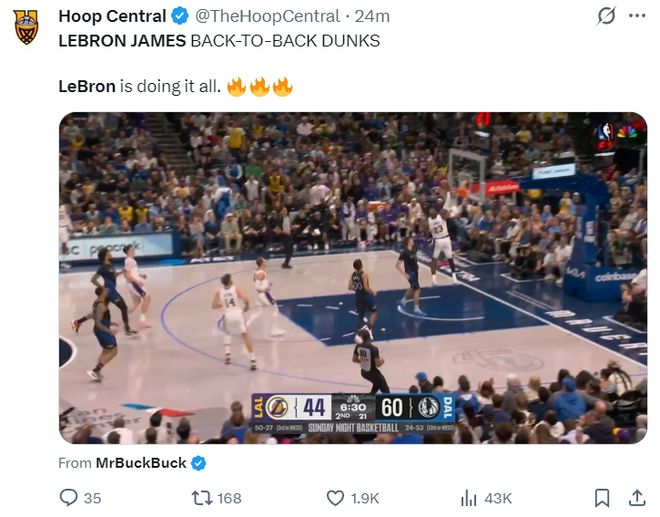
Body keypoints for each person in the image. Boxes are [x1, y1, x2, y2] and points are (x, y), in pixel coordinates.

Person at [71, 247, 138, 336]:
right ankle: (127, 329)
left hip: (109, 292)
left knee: (97, 312)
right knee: (124, 307)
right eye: (109, 253)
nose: (111, 254)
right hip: (110, 292)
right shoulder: (102, 268)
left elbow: (113, 275)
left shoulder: (110, 265)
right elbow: (93, 279)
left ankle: (77, 322)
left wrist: (120, 272)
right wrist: (102, 287)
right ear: (106, 256)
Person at [212, 273, 257, 371]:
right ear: (230, 281)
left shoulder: (219, 292)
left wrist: (223, 303)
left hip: (228, 316)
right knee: (245, 335)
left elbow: (214, 306)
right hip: (238, 314)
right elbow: (246, 299)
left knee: (227, 333)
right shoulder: (236, 289)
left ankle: (227, 354)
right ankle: (253, 359)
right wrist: (247, 307)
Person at [85, 287, 120, 382]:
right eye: (105, 290)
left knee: (106, 351)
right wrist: (109, 331)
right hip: (103, 331)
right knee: (114, 351)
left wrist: (110, 323)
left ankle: (96, 371)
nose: (107, 291)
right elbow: (98, 322)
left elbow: (98, 317)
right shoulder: (101, 305)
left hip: (101, 330)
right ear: (102, 293)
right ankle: (95, 371)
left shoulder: (97, 302)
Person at [428, 192, 458, 285]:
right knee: (450, 259)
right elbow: (446, 205)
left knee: (434, 259)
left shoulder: (430, 220)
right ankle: (454, 278)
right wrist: (448, 194)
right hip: (445, 239)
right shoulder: (440, 216)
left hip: (438, 241)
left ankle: (434, 279)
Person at [251, 257, 284, 336]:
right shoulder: (261, 273)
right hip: (264, 294)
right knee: (275, 309)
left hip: (261, 295)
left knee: (259, 312)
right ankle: (274, 330)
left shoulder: (256, 272)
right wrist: (266, 288)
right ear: (262, 263)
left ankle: (246, 325)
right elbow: (257, 287)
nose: (265, 261)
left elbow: (260, 283)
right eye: (264, 261)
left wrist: (268, 285)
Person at [352, 327, 389, 394]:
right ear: (369, 337)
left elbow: (354, 359)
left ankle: (370, 396)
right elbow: (378, 364)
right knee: (385, 389)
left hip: (364, 372)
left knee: (377, 384)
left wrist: (364, 361)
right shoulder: (373, 349)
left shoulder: (358, 346)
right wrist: (382, 360)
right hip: (373, 372)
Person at [123, 245, 151, 327]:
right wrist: (138, 282)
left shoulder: (130, 260)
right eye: (132, 249)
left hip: (131, 284)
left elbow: (131, 272)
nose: (134, 250)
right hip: (134, 284)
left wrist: (141, 275)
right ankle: (142, 320)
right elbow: (127, 276)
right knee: (147, 298)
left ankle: (125, 316)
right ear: (128, 251)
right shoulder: (129, 261)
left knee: (137, 301)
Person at [396, 236, 425, 315]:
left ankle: (403, 300)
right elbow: (397, 265)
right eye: (411, 240)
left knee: (413, 287)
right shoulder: (404, 253)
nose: (413, 240)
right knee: (417, 289)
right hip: (410, 273)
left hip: (415, 271)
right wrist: (405, 274)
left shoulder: (415, 248)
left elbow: (414, 258)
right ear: (408, 242)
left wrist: (416, 265)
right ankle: (416, 309)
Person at [348, 259, 378, 329]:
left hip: (358, 297)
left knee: (361, 316)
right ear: (361, 265)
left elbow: (349, 287)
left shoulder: (353, 275)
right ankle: (369, 328)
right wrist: (373, 292)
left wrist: (358, 289)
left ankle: (360, 331)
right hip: (366, 296)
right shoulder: (364, 275)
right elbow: (366, 288)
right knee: (374, 311)